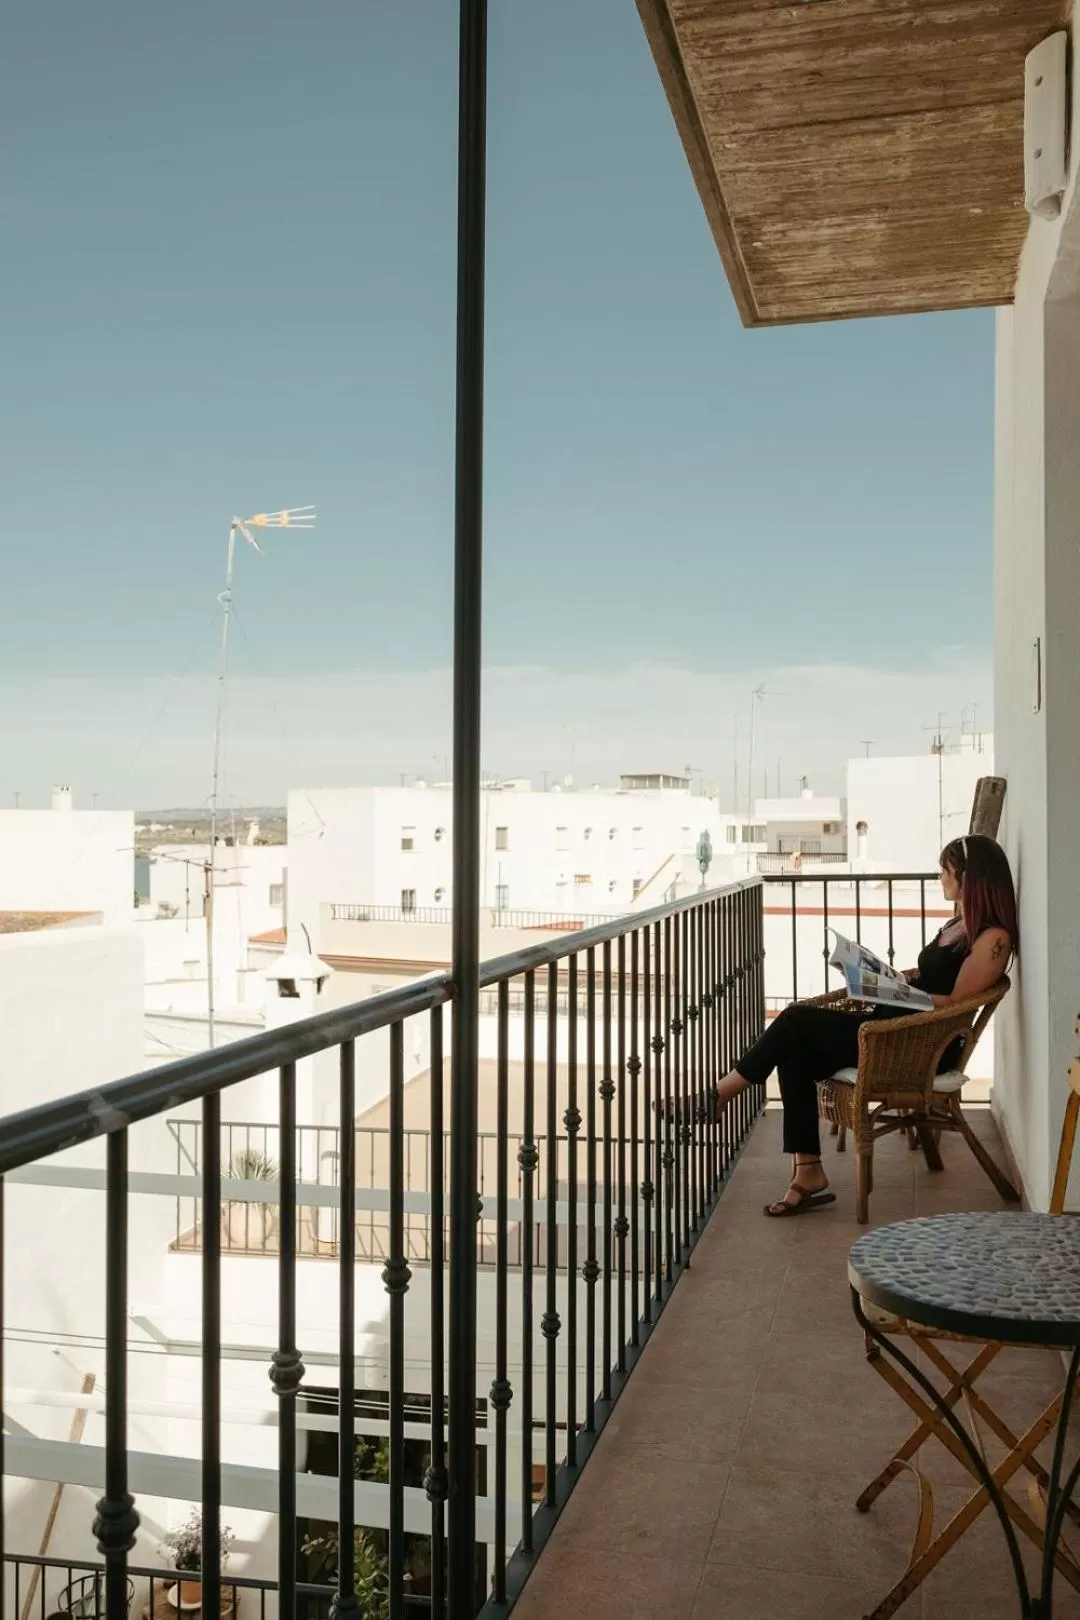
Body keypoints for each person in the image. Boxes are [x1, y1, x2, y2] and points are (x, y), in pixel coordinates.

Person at [713, 834, 1018, 1217]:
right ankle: (807, 1172)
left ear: (970, 876)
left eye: (946, 869)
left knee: (794, 1019)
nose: (941, 876)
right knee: (797, 1053)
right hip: (893, 1026)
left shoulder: (995, 938)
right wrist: (886, 981)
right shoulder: (960, 924)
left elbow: (956, 1004)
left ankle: (722, 1094)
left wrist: (898, 993)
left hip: (916, 1045)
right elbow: (929, 977)